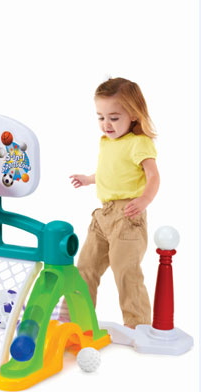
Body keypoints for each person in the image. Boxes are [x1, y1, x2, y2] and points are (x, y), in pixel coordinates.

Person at [63, 77, 160, 328]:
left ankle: (138, 325)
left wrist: (144, 199)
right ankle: (75, 320)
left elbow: (153, 176)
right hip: (102, 216)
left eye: (114, 118)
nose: (106, 124)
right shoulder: (107, 142)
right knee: (85, 267)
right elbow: (111, 173)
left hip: (127, 216)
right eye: (101, 117)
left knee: (125, 271)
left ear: (134, 115)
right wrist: (89, 179)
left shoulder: (139, 143)